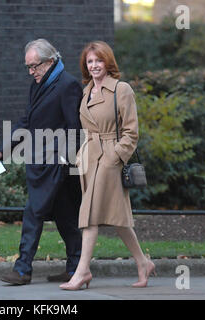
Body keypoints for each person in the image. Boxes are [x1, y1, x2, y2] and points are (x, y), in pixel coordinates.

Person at [59, 41, 155, 290]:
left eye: (98, 61)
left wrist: (115, 157)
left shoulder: (121, 90)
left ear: (108, 62)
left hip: (109, 158)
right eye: (89, 62)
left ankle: (82, 272)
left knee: (89, 215)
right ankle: (143, 262)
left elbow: (131, 132)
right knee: (117, 218)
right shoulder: (86, 90)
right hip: (89, 158)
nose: (93, 66)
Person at [0, 39, 83, 285]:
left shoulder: (68, 85)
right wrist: (2, 150)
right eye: (28, 67)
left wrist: (65, 160)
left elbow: (75, 127)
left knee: (33, 212)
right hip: (41, 162)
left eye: (35, 66)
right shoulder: (38, 84)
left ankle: (22, 270)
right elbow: (26, 121)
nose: (31, 72)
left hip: (57, 165)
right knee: (65, 217)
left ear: (51, 61)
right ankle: (75, 269)